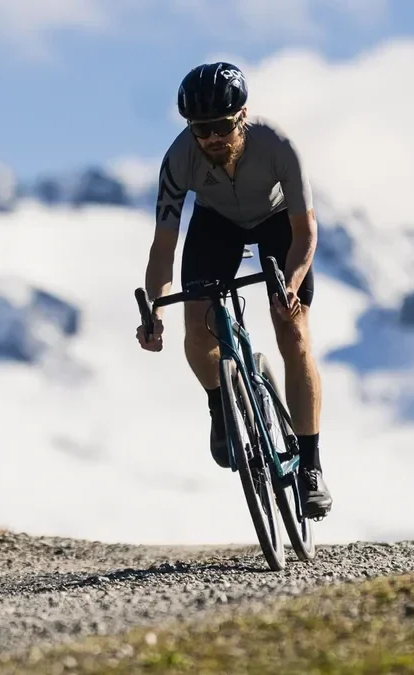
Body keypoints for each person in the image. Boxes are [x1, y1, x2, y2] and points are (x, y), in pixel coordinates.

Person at [136, 61, 332, 519]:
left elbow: (305, 233)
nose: (211, 139)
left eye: (221, 127)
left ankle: (311, 467)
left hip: (278, 225)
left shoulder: (278, 145)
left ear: (242, 116)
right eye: (200, 130)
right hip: (216, 224)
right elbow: (164, 246)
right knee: (197, 326)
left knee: (294, 333)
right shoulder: (178, 159)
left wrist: (292, 284)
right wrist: (154, 315)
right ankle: (221, 404)